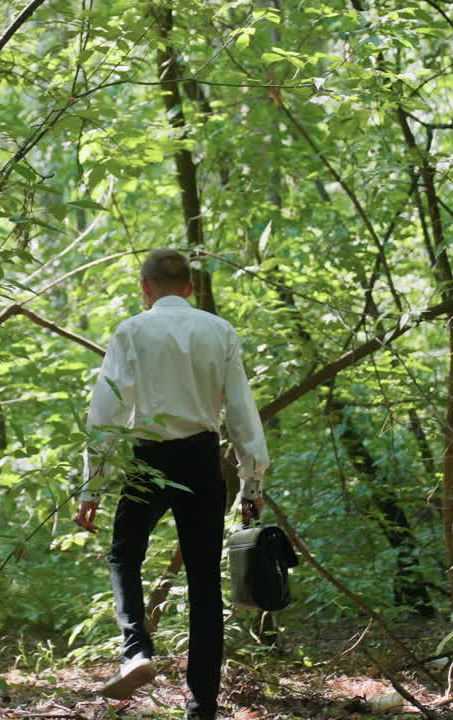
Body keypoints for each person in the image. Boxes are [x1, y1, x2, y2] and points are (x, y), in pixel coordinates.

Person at [72, 248, 269, 720]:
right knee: (204, 582)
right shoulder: (218, 330)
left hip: (149, 458)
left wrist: (91, 486)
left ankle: (136, 649)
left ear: (144, 288)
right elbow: (241, 409)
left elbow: (106, 412)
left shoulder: (132, 331)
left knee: (124, 552)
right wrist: (251, 480)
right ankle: (202, 706)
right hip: (202, 459)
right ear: (190, 288)